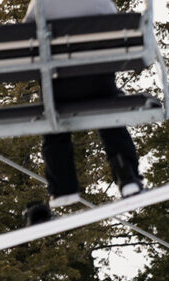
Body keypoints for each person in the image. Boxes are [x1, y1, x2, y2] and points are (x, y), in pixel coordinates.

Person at [21, 0, 145, 227]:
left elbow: (26, 38)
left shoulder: (40, 3)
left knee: (54, 125)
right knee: (111, 117)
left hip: (59, 87)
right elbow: (117, 31)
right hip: (100, 83)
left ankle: (63, 188)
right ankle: (127, 175)